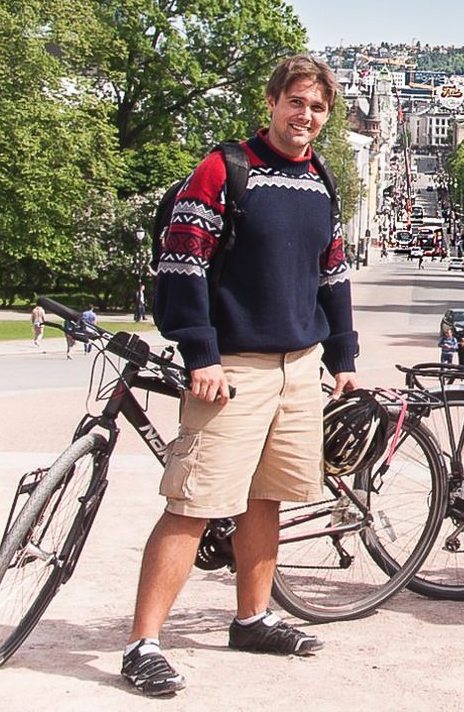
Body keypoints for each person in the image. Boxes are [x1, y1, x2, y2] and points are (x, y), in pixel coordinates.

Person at [126, 55, 358, 696]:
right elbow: (182, 263)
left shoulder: (321, 180)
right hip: (232, 367)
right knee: (193, 504)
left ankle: (252, 619)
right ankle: (143, 643)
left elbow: (332, 272)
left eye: (317, 107)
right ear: (272, 101)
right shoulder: (225, 169)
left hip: (298, 367)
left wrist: (343, 356)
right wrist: (199, 352)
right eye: (296, 102)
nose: (305, 116)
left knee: (267, 498)